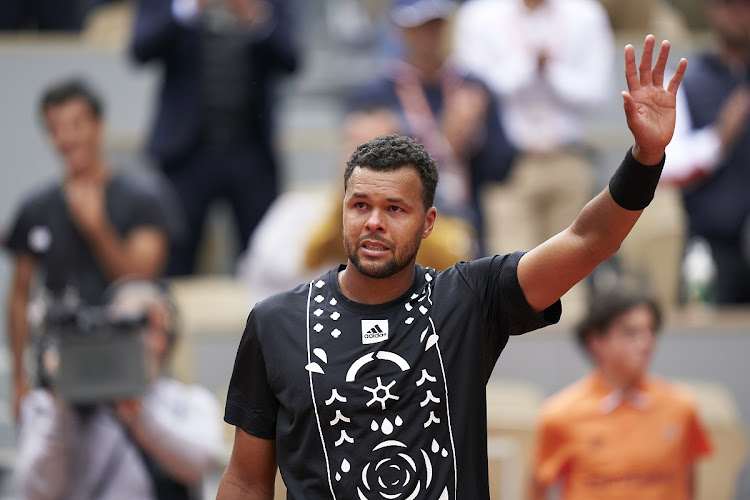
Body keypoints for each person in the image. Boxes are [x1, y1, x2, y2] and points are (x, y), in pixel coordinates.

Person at [217, 35, 687, 499]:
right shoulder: (275, 321)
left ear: (428, 223)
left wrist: (646, 159)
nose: (374, 222)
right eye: (360, 205)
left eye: (396, 209)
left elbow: (587, 240)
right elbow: (244, 480)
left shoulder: (468, 298)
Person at [3, 78, 182, 421]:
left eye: (76, 125)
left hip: (133, 368)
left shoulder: (145, 198)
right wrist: (19, 381)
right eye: (55, 128)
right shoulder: (35, 208)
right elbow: (20, 295)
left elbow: (142, 279)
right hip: (59, 366)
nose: (67, 138)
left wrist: (97, 228)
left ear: (100, 126)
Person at [130, 0, 300, 276]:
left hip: (250, 148)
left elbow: (291, 59)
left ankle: (263, 320)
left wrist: (254, 17)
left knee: (266, 255)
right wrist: (189, 7)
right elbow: (141, 49)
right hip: (187, 152)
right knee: (176, 259)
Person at [14, 279, 224, 500]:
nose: (137, 340)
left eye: (144, 326)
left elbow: (200, 462)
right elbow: (35, 491)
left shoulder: (189, 401)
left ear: (166, 337)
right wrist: (62, 403)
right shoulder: (54, 406)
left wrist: (138, 414)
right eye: (122, 327)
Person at [452, 0, 613, 254]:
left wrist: (551, 70)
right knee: (509, 270)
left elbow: (597, 93)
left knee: (569, 270)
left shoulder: (586, 13)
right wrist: (528, 65)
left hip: (568, 156)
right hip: (508, 164)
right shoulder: (478, 15)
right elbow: (474, 91)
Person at [529, 290, 713, 499]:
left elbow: (689, 487)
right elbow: (537, 489)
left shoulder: (681, 407)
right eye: (631, 332)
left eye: (650, 331)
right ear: (595, 341)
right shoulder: (560, 414)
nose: (646, 343)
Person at [662, 0, 750, 305]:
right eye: (729, 5)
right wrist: (719, 139)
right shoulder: (685, 81)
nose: (738, 14)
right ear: (712, 10)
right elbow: (668, 166)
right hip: (712, 246)